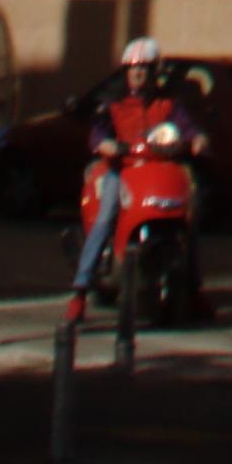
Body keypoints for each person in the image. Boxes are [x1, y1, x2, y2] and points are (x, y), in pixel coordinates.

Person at [67, 36, 202, 316]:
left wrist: (197, 139)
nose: (138, 74)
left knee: (190, 216)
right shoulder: (115, 104)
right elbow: (99, 132)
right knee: (106, 216)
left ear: (155, 72)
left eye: (144, 68)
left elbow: (187, 128)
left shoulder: (167, 104)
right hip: (124, 169)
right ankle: (80, 290)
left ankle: (194, 287)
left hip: (159, 169)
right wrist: (106, 144)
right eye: (132, 68)